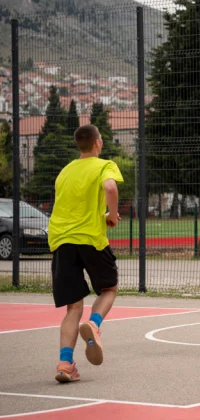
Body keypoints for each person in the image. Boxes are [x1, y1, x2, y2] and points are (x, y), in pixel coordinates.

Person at [47, 124, 124, 383]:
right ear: (98, 143)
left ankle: (65, 364)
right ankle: (94, 324)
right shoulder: (104, 166)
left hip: (61, 240)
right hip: (90, 238)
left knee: (73, 307)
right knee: (109, 289)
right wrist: (111, 215)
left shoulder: (65, 172)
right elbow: (110, 188)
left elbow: (71, 207)